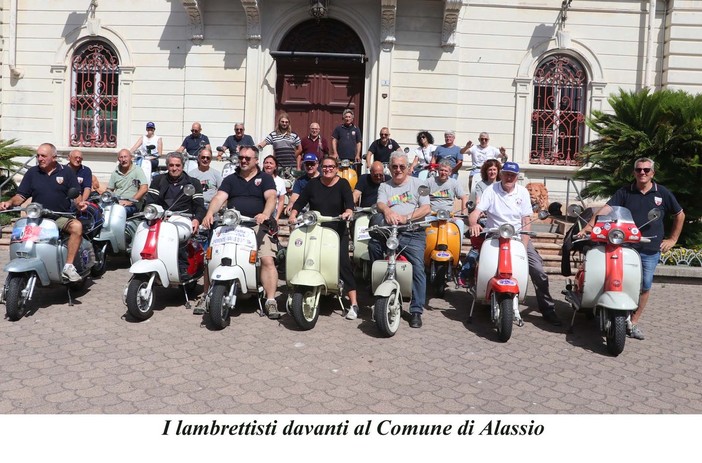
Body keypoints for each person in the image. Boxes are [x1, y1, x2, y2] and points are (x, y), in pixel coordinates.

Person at [577, 157, 684, 340]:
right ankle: (607, 308)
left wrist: (673, 239)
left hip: (649, 247)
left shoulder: (662, 193)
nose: (642, 173)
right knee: (613, 276)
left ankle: (633, 322)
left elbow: (679, 215)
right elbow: (607, 208)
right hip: (625, 245)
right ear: (634, 172)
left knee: (645, 285)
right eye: (639, 170)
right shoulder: (625, 192)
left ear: (653, 173)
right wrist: (589, 226)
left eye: (646, 170)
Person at [466, 161, 562, 326]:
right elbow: (476, 212)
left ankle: (548, 308)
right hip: (494, 235)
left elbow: (526, 218)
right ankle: (480, 292)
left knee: (538, 270)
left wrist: (524, 246)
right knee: (481, 263)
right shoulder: (491, 190)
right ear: (501, 174)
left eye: (513, 175)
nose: (509, 177)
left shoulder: (523, 192)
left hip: (517, 236)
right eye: (507, 174)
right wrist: (474, 223)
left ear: (517, 177)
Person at [201, 146, 281, 319]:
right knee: (210, 255)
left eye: (247, 158)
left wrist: (265, 214)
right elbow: (219, 198)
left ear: (256, 160)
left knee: (267, 258)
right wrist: (209, 213)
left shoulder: (265, 178)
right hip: (233, 223)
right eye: (241, 157)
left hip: (256, 224)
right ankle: (206, 294)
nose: (243, 161)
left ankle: (271, 300)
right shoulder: (231, 179)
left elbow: (271, 198)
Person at [0, 143, 88, 282]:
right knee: (19, 234)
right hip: (37, 219)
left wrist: (80, 204)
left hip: (59, 217)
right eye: (38, 155)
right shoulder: (32, 173)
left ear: (54, 157)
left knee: (77, 227)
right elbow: (21, 196)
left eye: (43, 156)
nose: (39, 158)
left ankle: (69, 266)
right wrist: (9, 202)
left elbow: (76, 194)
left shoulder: (66, 172)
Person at [287, 156, 359, 320]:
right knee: (303, 256)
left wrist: (348, 212)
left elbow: (349, 204)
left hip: (336, 229)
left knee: (343, 263)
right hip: (314, 228)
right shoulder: (313, 184)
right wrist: (293, 214)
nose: (328, 169)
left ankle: (354, 303)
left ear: (336, 168)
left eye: (331, 167)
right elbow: (300, 202)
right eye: (325, 166)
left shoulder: (343, 184)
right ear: (321, 167)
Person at [369, 150, 431, 328]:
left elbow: (426, 208)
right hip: (391, 231)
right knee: (372, 245)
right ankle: (377, 289)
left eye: (402, 166)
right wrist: (387, 211)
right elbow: (380, 203)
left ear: (408, 167)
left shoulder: (419, 184)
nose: (398, 170)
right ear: (389, 167)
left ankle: (416, 310)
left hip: (413, 232)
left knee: (418, 267)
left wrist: (407, 218)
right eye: (394, 166)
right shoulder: (385, 186)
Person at [145, 152, 206, 280]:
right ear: (167, 166)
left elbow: (200, 206)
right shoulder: (158, 180)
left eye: (177, 165)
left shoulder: (193, 183)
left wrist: (196, 219)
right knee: (143, 230)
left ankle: (182, 267)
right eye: (171, 165)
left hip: (183, 217)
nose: (174, 168)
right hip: (160, 217)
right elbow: (150, 201)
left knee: (177, 233)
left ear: (183, 166)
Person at [458, 159, 502, 285]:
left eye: (494, 169)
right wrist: (482, 209)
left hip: (499, 220)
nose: (492, 172)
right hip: (483, 218)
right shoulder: (481, 185)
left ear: (498, 171)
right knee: (478, 247)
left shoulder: (501, 184)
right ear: (485, 171)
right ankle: (464, 273)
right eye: (490, 170)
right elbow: (479, 201)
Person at [426, 160, 468, 237]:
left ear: (450, 173)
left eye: (446, 171)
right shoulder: (429, 181)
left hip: (449, 216)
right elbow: (421, 197)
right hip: (431, 215)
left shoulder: (454, 183)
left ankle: (458, 247)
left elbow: (464, 197)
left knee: (460, 223)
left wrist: (462, 214)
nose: (443, 173)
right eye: (441, 170)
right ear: (438, 170)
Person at [107, 148, 149, 217]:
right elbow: (109, 189)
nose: (123, 160)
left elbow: (144, 188)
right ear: (118, 159)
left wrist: (131, 201)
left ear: (131, 158)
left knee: (118, 212)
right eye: (121, 157)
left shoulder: (137, 170)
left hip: (133, 204)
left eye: (125, 157)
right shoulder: (115, 172)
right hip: (118, 202)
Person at [262, 155, 286, 222]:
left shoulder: (280, 181)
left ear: (275, 167)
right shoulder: (258, 179)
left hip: (273, 215)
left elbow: (281, 201)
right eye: (266, 163)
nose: (268, 165)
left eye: (271, 163)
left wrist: (277, 217)